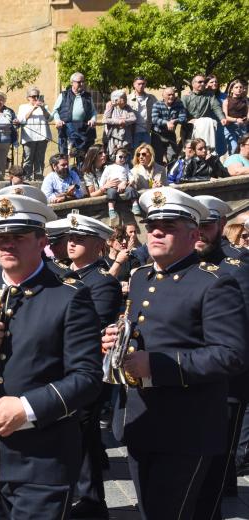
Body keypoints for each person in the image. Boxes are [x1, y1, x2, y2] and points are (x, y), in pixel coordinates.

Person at [0, 191, 102, 519]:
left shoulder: (68, 296)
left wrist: (27, 407)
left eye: (18, 236)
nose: (7, 245)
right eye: (1, 237)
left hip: (43, 457)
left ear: (41, 240)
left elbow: (88, 377)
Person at [102, 188, 247, 520]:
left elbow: (231, 355)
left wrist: (155, 364)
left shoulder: (214, 283)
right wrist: (115, 339)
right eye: (151, 225)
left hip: (186, 427)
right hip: (141, 419)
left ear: (194, 235)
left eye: (168, 226)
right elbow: (141, 330)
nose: (155, 232)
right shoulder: (140, 277)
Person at [189, 195, 249, 518]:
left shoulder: (236, 265)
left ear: (222, 225)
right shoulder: (184, 261)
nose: (200, 232)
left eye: (207, 225)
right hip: (187, 376)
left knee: (218, 459)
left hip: (227, 380)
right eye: (195, 225)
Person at [59, 215, 121, 518]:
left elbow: (91, 328)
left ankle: (91, 500)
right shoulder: (60, 275)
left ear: (99, 245)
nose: (71, 243)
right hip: (61, 369)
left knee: (83, 436)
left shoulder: (102, 281)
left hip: (84, 369)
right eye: (70, 237)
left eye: (80, 239)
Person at [53, 72, 96, 159]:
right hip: (66, 129)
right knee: (64, 156)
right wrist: (57, 120)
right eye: (79, 82)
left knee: (82, 155)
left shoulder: (88, 96)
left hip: (83, 129)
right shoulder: (63, 95)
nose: (82, 84)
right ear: (72, 82)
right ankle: (65, 172)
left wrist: (93, 119)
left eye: (83, 81)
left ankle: (81, 172)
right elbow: (55, 110)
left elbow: (93, 111)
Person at [183, 74, 227, 150]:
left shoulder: (210, 96)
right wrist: (188, 121)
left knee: (205, 150)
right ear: (193, 84)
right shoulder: (186, 97)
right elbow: (182, 112)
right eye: (200, 82)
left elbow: (216, 107)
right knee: (190, 150)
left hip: (205, 128)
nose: (202, 84)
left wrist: (222, 118)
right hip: (189, 127)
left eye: (204, 82)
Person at [17, 86, 51, 180]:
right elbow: (21, 120)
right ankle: (26, 178)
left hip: (42, 137)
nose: (36, 98)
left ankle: (38, 178)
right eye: (33, 96)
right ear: (28, 97)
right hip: (29, 138)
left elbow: (50, 118)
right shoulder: (23, 107)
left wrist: (43, 108)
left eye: (37, 96)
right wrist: (33, 109)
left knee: (40, 160)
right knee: (28, 159)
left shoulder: (44, 106)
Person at [99, 147, 140, 219]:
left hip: (125, 186)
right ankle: (111, 209)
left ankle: (135, 205)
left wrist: (131, 181)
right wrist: (103, 186)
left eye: (125, 157)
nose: (123, 159)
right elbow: (104, 177)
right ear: (114, 157)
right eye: (120, 157)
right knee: (111, 193)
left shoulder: (126, 167)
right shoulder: (109, 167)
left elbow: (130, 175)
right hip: (113, 187)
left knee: (131, 190)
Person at [151, 87, 187, 165]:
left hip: (171, 134)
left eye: (173, 94)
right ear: (163, 96)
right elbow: (154, 119)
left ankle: (170, 175)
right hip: (158, 134)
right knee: (157, 157)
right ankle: (158, 176)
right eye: (169, 95)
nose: (171, 96)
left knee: (173, 156)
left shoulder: (179, 104)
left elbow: (183, 118)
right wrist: (166, 122)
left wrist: (175, 121)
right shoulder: (157, 104)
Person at [103, 90, 137, 157]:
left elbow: (134, 118)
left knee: (125, 154)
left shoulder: (128, 108)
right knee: (113, 154)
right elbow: (105, 120)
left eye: (125, 98)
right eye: (122, 98)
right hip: (114, 136)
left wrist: (125, 121)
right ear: (115, 99)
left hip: (125, 137)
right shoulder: (111, 107)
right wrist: (118, 121)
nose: (125, 99)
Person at [127, 76, 157, 151]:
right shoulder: (128, 98)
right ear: (134, 84)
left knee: (146, 153)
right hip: (133, 132)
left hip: (146, 131)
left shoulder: (151, 98)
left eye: (143, 84)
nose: (141, 86)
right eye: (139, 84)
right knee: (134, 154)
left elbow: (159, 107)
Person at [222, 79, 248, 154]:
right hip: (230, 127)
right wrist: (236, 120)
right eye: (236, 87)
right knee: (234, 148)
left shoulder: (245, 101)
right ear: (232, 89)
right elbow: (225, 116)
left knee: (243, 150)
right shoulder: (226, 101)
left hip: (242, 126)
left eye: (240, 87)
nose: (239, 89)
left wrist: (246, 120)